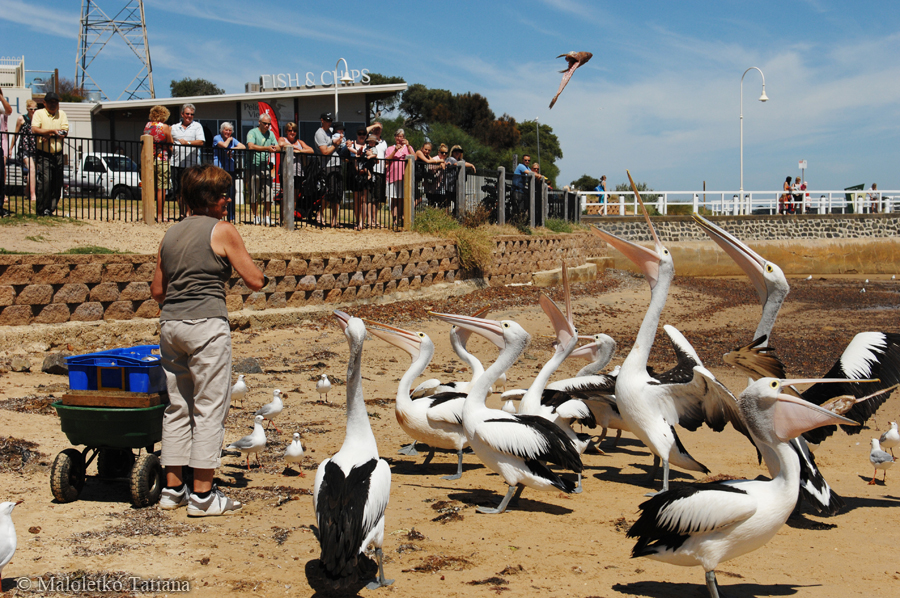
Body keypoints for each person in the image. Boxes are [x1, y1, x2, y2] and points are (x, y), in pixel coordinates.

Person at [151, 163, 264, 517]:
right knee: (209, 407)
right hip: (206, 325)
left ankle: (173, 489)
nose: (227, 200)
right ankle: (202, 495)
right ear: (210, 199)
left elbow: (157, 291)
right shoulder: (223, 230)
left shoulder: (169, 234)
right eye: (223, 195)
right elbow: (255, 280)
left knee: (177, 406)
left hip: (170, 326)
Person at [30, 92, 68, 217]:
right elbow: (35, 129)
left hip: (58, 153)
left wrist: (48, 134)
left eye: (55, 102)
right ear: (44, 103)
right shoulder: (38, 113)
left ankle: (50, 209)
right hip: (43, 153)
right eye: (50, 102)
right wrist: (52, 131)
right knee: (45, 181)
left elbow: (64, 130)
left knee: (57, 182)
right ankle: (41, 209)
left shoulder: (61, 114)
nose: (53, 104)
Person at [143, 105, 175, 222]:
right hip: (162, 158)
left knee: (150, 186)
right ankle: (160, 215)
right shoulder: (165, 127)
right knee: (161, 187)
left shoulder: (147, 126)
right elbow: (170, 142)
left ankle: (148, 213)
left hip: (149, 158)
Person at [246, 113, 279, 226]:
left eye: (269, 124)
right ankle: (255, 216)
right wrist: (267, 148)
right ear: (259, 122)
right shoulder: (252, 132)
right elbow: (251, 146)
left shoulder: (271, 134)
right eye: (265, 123)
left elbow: (277, 146)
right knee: (254, 193)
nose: (267, 126)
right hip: (253, 166)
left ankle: (267, 217)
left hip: (266, 167)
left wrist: (277, 147)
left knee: (268, 193)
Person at [277, 121, 314, 222]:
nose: (292, 132)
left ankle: (290, 217)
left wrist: (300, 151)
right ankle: (282, 217)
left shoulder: (300, 142)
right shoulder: (283, 139)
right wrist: (293, 147)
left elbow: (311, 150)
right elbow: (280, 144)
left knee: (294, 196)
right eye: (290, 130)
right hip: (285, 172)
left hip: (298, 172)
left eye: (294, 131)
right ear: (286, 132)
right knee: (285, 195)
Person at [170, 103, 205, 207]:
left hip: (191, 165)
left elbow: (201, 142)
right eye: (187, 114)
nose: (189, 116)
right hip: (176, 163)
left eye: (192, 114)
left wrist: (188, 143)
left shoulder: (197, 126)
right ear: (182, 114)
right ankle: (182, 212)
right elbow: (169, 141)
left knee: (190, 190)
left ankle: (189, 212)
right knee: (178, 190)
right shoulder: (174, 128)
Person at [314, 112, 343, 227]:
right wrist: (336, 145)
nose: (329, 122)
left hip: (337, 164)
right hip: (327, 166)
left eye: (330, 120)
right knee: (330, 192)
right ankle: (320, 213)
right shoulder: (319, 133)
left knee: (338, 193)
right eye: (327, 120)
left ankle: (334, 220)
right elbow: (324, 152)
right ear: (322, 120)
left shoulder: (331, 132)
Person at [213, 122, 245, 223]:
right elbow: (224, 145)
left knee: (230, 194)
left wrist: (232, 149)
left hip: (230, 169)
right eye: (226, 130)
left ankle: (231, 217)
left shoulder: (232, 140)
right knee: (217, 192)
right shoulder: (217, 138)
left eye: (230, 130)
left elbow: (243, 146)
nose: (228, 132)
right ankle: (217, 215)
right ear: (221, 130)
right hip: (219, 169)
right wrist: (230, 141)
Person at [386, 128, 414, 226]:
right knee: (393, 199)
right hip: (392, 177)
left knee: (402, 198)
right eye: (398, 136)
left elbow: (414, 157)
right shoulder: (390, 148)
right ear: (395, 138)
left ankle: (401, 218)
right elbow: (386, 160)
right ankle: (394, 220)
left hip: (404, 178)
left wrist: (408, 146)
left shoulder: (408, 147)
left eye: (401, 136)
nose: (399, 138)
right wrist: (395, 151)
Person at [13, 99, 38, 209]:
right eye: (31, 109)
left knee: (33, 171)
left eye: (34, 109)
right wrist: (11, 148)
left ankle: (26, 191)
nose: (33, 111)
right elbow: (15, 134)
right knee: (31, 168)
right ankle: (33, 194)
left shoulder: (37, 120)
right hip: (24, 147)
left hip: (35, 147)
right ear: (27, 109)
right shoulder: (21, 119)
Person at [346, 127, 371, 230]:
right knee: (356, 199)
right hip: (355, 175)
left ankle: (362, 222)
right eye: (360, 133)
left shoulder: (369, 146)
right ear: (357, 134)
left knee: (364, 199)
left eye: (364, 134)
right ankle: (357, 221)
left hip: (365, 174)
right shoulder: (351, 145)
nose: (362, 135)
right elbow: (345, 156)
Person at [367, 123, 388, 227]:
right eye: (375, 129)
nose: (377, 131)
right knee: (370, 197)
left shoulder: (384, 143)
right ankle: (370, 219)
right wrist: (374, 125)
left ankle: (375, 219)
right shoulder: (369, 139)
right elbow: (363, 131)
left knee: (377, 198)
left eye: (379, 129)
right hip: (371, 170)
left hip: (381, 172)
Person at [415, 141, 445, 208]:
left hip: (417, 180)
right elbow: (428, 161)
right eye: (425, 149)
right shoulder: (419, 152)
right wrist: (440, 161)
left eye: (429, 150)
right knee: (417, 198)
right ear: (422, 148)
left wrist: (442, 163)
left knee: (418, 198)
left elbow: (432, 161)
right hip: (411, 178)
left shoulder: (427, 155)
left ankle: (406, 214)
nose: (427, 151)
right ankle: (406, 213)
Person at [0, 87, 12, 216]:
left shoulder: (2, 104)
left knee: (2, 168)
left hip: (2, 140)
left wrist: (1, 97)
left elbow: (9, 110)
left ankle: (2, 194)